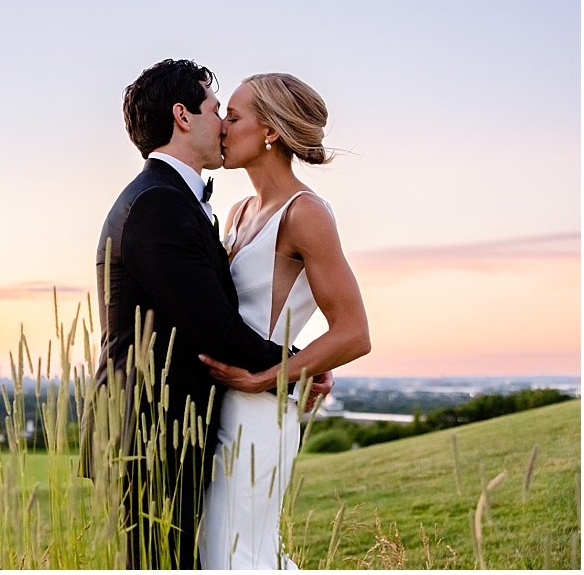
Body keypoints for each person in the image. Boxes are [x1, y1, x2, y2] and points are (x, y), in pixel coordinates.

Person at [83, 59, 330, 569]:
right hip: (151, 434)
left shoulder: (175, 200)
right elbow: (213, 327)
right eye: (217, 109)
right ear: (183, 116)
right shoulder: (158, 204)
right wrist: (298, 365)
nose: (222, 122)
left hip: (179, 429)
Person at [197, 72, 372, 569]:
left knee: (237, 555)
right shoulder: (237, 212)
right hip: (218, 406)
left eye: (232, 117)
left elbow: (354, 332)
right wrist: (306, 362)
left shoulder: (306, 213)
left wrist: (267, 377)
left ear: (270, 130)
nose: (222, 128)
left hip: (259, 413)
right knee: (225, 552)